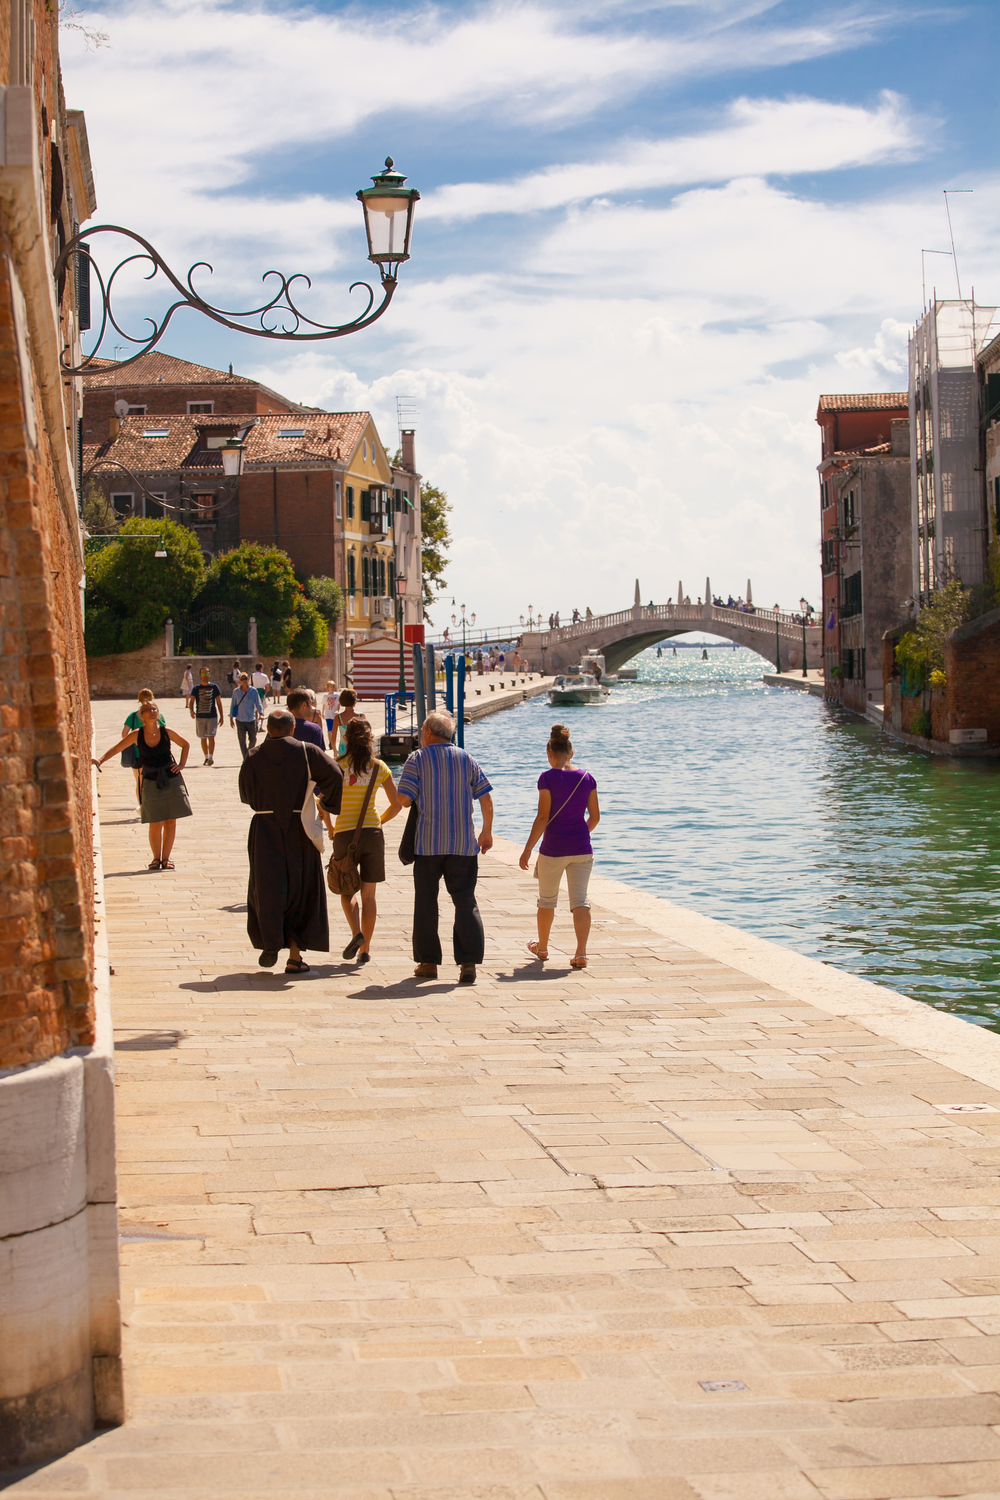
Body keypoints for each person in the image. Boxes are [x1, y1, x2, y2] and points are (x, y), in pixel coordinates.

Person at [238, 708, 343, 972]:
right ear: (292, 728)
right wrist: (326, 805)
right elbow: (336, 775)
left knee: (267, 887)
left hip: (264, 827)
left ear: (269, 730)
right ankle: (295, 957)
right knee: (301, 887)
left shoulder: (253, 755)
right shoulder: (307, 751)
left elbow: (245, 794)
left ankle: (271, 943)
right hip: (299, 827)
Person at [396, 710, 493, 985]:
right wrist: (486, 832)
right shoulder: (466, 758)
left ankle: (428, 964)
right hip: (463, 844)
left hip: (427, 845)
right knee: (465, 901)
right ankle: (468, 963)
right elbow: (485, 799)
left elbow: (403, 799)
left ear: (427, 733)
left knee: (426, 902)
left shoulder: (417, 758)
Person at [519, 724, 599, 970]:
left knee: (547, 900)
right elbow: (595, 817)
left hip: (553, 849)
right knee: (580, 901)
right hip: (582, 849)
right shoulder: (587, 778)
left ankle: (542, 948)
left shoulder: (547, 778)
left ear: (549, 753)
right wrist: (577, 834)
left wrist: (528, 848)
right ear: (571, 752)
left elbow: (543, 817)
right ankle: (581, 953)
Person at [329, 717, 403, 965]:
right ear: (370, 739)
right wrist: (379, 820)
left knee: (346, 888)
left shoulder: (336, 766)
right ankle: (365, 950)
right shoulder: (379, 767)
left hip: (344, 834)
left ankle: (356, 934)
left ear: (346, 738)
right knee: (369, 895)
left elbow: (323, 803)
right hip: (372, 834)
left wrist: (329, 827)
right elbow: (397, 804)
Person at [93, 702, 191, 870]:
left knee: (170, 821)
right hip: (151, 780)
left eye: (154, 709)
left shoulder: (166, 732)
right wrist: (100, 760)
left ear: (158, 714)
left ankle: (166, 859)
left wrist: (181, 765)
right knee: (155, 821)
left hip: (171, 779)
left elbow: (185, 744)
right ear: (142, 715)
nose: (152, 712)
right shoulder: (136, 735)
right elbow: (117, 748)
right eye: (148, 710)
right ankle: (155, 859)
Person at [121, 689, 164, 805]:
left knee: (140, 781)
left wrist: (136, 741)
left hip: (137, 754)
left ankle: (142, 806)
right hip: (155, 754)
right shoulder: (159, 716)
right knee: (156, 779)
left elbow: (124, 734)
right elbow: (164, 734)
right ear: (152, 698)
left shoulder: (133, 716)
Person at [187, 667, 225, 765]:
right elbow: (191, 701)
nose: (205, 676)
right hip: (200, 716)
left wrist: (222, 716)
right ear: (200, 675)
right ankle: (206, 757)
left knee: (211, 737)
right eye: (203, 674)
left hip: (212, 716)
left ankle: (211, 756)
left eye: (207, 673)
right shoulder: (196, 688)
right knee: (203, 737)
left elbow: (219, 702)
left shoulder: (214, 687)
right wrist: (191, 710)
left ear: (209, 674)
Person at [230, 671, 265, 760]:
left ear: (248, 679)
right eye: (242, 679)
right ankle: (246, 758)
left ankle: (248, 755)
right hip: (240, 719)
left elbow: (258, 703)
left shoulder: (253, 691)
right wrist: (231, 718)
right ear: (240, 681)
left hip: (251, 719)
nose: (244, 680)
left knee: (253, 739)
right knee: (242, 741)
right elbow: (233, 705)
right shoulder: (236, 692)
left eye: (246, 678)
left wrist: (261, 713)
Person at [332, 689, 366, 759]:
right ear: (354, 701)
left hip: (343, 749)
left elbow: (333, 737)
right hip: (357, 749)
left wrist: (335, 750)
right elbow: (365, 735)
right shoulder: (361, 716)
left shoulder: (338, 717)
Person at [323, 679, 339, 744]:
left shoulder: (337, 696)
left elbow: (338, 704)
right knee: (329, 729)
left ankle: (333, 741)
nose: (332, 688)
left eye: (333, 687)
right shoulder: (325, 696)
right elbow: (324, 705)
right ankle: (330, 742)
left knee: (334, 729)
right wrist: (322, 713)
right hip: (328, 715)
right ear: (328, 688)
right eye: (330, 687)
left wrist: (338, 710)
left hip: (334, 714)